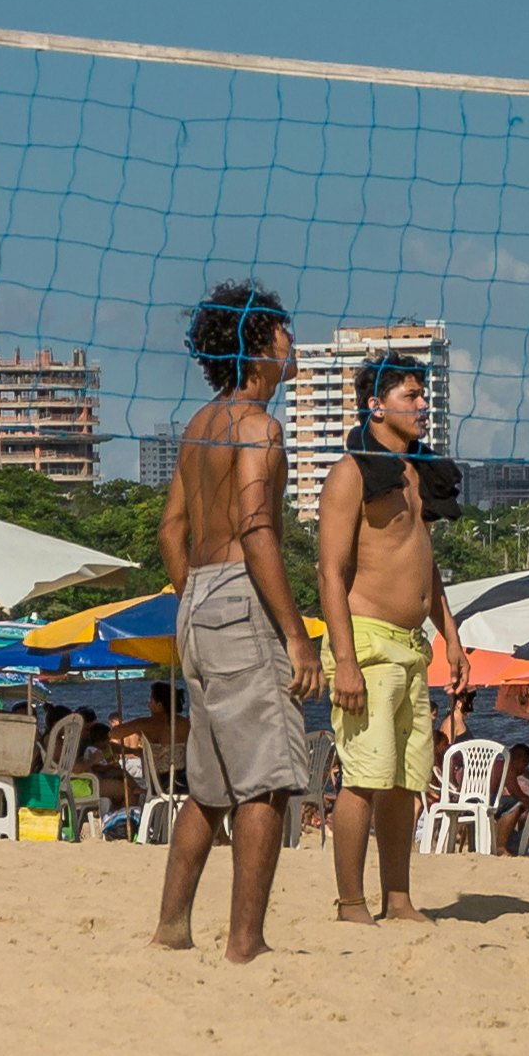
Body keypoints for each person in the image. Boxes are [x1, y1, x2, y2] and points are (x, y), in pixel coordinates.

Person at [154, 280, 323, 962]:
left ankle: (171, 925)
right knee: (270, 779)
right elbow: (257, 530)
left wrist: (199, 597)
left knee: (211, 784)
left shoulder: (198, 426)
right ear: (257, 347)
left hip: (195, 598)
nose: (293, 343)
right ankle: (245, 941)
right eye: (283, 332)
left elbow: (171, 529)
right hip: (238, 594)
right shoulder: (260, 427)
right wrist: (295, 633)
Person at [316, 349, 461, 924]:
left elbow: (423, 563)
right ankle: (351, 902)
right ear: (376, 406)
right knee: (364, 776)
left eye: (423, 395)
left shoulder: (414, 472)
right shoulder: (350, 473)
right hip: (368, 642)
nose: (423, 405)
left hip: (412, 644)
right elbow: (330, 571)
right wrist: (345, 660)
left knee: (406, 780)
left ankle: (397, 898)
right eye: (411, 397)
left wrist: (452, 636)